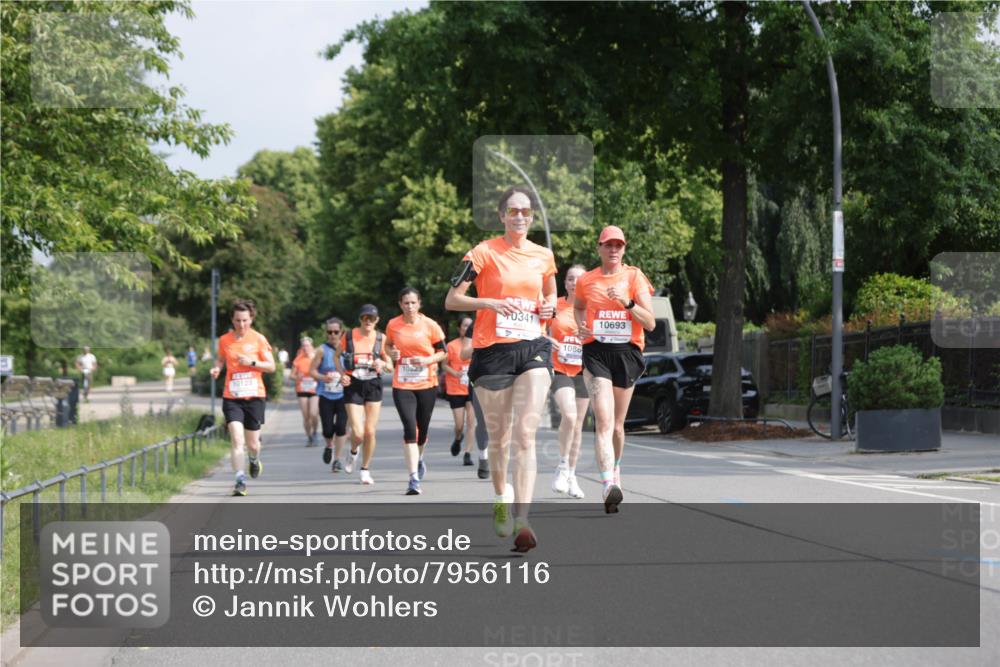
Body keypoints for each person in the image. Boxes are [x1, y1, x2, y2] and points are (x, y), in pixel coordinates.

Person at [445, 186, 556, 553]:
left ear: (532, 216)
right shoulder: (482, 252)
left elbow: (550, 295)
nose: (520, 216)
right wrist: (489, 303)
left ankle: (523, 519)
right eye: (513, 211)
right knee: (500, 439)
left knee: (525, 433)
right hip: (492, 352)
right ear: (501, 216)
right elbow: (452, 299)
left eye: (525, 211)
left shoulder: (543, 255)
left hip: (532, 348)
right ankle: (500, 497)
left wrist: (549, 307)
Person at [574, 225, 655, 514]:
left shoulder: (634, 277)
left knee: (618, 427)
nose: (613, 249)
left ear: (624, 249)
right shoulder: (586, 280)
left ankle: (615, 469)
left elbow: (650, 322)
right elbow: (578, 306)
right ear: (599, 247)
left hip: (626, 354)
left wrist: (627, 301)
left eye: (618, 245)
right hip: (596, 353)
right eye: (608, 244)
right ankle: (608, 484)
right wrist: (581, 325)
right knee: (604, 421)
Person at [209, 300, 276, 496]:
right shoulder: (224, 340)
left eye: (245, 320)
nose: (241, 324)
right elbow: (221, 359)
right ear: (232, 320)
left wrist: (252, 362)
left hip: (254, 396)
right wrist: (216, 368)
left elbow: (271, 366)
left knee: (253, 444)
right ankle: (240, 481)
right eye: (238, 320)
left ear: (251, 319)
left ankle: (254, 459)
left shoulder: (259, 339)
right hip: (232, 396)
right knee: (237, 440)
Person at [385, 287, 447, 495]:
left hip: (427, 384)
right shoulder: (393, 325)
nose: (410, 306)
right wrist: (392, 354)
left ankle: (419, 458)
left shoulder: (430, 325)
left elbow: (443, 352)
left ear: (419, 304)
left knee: (422, 431)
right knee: (410, 429)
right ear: (400, 304)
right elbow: (387, 346)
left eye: (413, 303)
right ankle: (413, 478)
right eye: (406, 303)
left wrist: (428, 360)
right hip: (402, 384)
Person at [336, 304, 393, 485]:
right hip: (353, 384)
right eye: (364, 318)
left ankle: (365, 469)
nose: (368, 321)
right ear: (360, 319)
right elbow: (337, 356)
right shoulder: (349, 336)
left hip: (373, 384)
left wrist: (382, 364)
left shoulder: (381, 338)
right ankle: (353, 451)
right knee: (358, 432)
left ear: (377, 320)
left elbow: (390, 366)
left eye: (372, 318)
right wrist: (342, 374)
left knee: (370, 431)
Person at [547, 265, 590, 499]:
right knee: (570, 416)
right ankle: (562, 466)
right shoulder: (555, 306)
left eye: (579, 279)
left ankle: (572, 475)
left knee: (578, 425)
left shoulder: (592, 308)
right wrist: (548, 341)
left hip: (584, 370)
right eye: (571, 279)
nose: (575, 283)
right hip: (559, 368)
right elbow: (537, 330)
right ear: (565, 283)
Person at [311, 318, 350, 471]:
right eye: (329, 332)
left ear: (341, 332)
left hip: (343, 395)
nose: (332, 335)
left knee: (341, 427)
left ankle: (337, 459)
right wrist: (323, 377)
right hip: (326, 395)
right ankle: (329, 445)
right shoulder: (321, 350)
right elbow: (312, 371)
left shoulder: (347, 349)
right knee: (327, 430)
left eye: (336, 332)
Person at [443, 316, 476, 466]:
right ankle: (458, 438)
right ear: (459, 328)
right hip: (455, 388)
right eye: (465, 326)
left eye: (470, 326)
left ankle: (468, 453)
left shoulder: (476, 344)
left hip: (472, 386)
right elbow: (444, 365)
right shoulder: (451, 345)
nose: (468, 328)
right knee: (459, 425)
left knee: (471, 422)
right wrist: (455, 373)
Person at [291, 337, 320, 446]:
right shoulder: (298, 359)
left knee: (313, 413)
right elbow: (291, 375)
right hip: (302, 389)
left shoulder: (317, 358)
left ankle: (315, 432)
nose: (305, 348)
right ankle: (309, 437)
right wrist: (297, 377)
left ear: (312, 346)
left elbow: (323, 371)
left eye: (307, 345)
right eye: (303, 346)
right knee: (306, 416)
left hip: (315, 389)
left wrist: (318, 376)